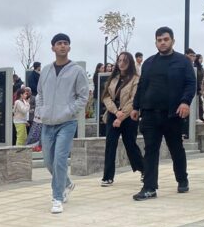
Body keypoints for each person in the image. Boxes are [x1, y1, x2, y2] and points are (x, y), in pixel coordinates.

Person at [131, 26, 195, 200]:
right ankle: (149, 187)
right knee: (150, 150)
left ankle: (182, 179)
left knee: (176, 149)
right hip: (150, 114)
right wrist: (136, 107)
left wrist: (185, 102)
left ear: (173, 41)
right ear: (156, 43)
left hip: (172, 114)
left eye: (166, 39)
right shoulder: (149, 63)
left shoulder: (183, 62)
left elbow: (190, 84)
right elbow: (142, 86)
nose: (163, 42)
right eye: (159, 40)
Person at [35, 33, 90, 214]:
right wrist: (41, 111)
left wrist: (69, 111)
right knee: (48, 161)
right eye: (59, 43)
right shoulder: (46, 71)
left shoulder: (77, 71)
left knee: (60, 159)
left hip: (67, 122)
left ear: (69, 47)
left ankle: (57, 198)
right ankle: (66, 183)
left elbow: (83, 96)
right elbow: (40, 94)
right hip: (47, 123)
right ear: (53, 47)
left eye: (66, 43)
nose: (62, 46)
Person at [100, 51, 143, 186]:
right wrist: (115, 111)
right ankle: (107, 177)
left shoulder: (136, 79)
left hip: (129, 116)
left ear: (130, 63)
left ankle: (144, 169)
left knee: (130, 144)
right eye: (119, 60)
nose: (121, 63)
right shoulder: (113, 78)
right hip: (113, 114)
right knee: (110, 144)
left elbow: (134, 99)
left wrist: (122, 115)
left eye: (125, 61)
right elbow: (106, 96)